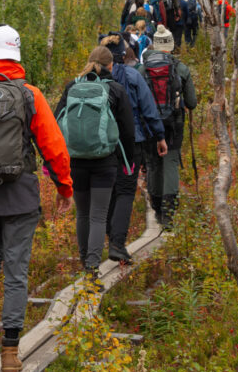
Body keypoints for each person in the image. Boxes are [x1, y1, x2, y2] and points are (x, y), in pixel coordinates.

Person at [0, 25, 73, 372]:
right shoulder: (30, 95)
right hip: (21, 194)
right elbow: (53, 146)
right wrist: (64, 186)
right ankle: (10, 351)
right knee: (17, 270)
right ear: (17, 55)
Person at [55, 46, 135, 280]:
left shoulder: (72, 87)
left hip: (76, 161)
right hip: (104, 161)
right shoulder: (115, 90)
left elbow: (56, 120)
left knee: (83, 213)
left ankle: (84, 261)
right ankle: (92, 265)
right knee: (99, 215)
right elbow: (128, 131)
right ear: (111, 66)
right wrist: (127, 161)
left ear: (89, 63)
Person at [100, 34, 168, 261]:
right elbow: (148, 109)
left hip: (102, 146)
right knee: (126, 192)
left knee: (108, 191)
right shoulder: (131, 76)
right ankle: (117, 244)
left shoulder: (89, 80)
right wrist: (159, 136)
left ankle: (110, 236)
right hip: (131, 144)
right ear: (121, 53)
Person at [139, 25, 197, 230]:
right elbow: (192, 102)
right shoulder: (179, 68)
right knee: (170, 162)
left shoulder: (142, 69)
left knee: (153, 163)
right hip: (174, 124)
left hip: (148, 126)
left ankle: (156, 207)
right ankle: (169, 213)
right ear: (170, 45)